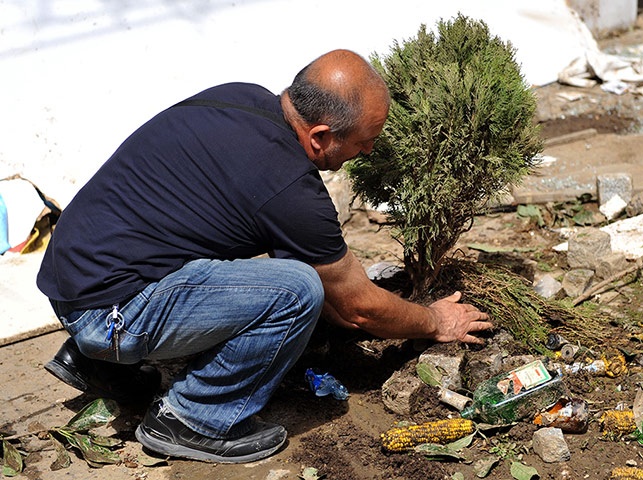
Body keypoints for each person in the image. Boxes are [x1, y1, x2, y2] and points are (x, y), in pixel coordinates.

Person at [36, 49, 493, 464]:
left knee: (273, 277)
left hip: (74, 277)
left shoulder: (240, 96)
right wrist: (433, 321)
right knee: (297, 290)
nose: (369, 151)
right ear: (319, 136)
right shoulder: (289, 188)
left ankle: (96, 362)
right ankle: (193, 419)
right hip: (109, 314)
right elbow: (357, 305)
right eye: (363, 142)